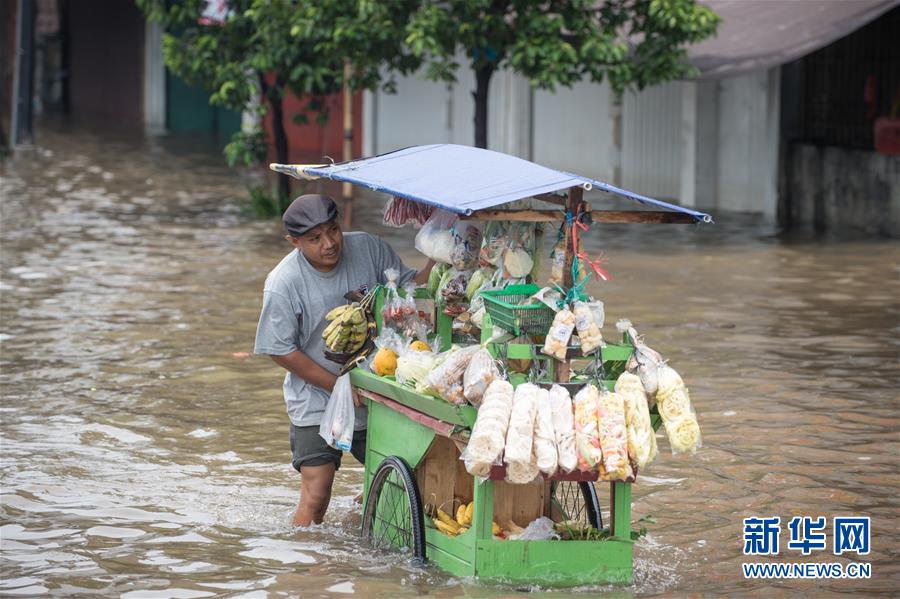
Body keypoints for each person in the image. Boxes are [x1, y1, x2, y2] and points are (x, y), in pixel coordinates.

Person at [254, 194, 434, 527]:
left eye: (333, 231)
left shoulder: (369, 247)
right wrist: (337, 385)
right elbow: (279, 348)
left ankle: (360, 513)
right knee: (317, 494)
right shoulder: (283, 283)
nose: (329, 244)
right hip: (317, 396)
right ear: (294, 242)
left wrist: (439, 259)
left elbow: (410, 289)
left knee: (404, 477)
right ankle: (308, 569)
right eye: (314, 238)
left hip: (374, 392)